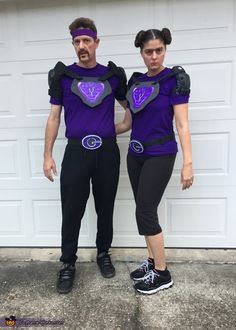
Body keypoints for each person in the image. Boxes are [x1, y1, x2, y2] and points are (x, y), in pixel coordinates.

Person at [43, 17, 127, 294]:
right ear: (73, 44)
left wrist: (121, 127)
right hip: (76, 152)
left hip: (106, 152)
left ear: (96, 42)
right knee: (72, 210)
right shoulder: (63, 76)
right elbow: (54, 117)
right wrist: (47, 155)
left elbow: (133, 107)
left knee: (105, 206)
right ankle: (68, 263)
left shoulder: (113, 76)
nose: (82, 46)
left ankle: (103, 253)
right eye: (77, 41)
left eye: (87, 41)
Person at [116, 28, 193, 295]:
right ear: (141, 52)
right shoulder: (136, 82)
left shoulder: (174, 80)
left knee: (146, 211)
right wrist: (100, 128)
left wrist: (188, 163)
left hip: (160, 153)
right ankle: (151, 262)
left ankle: (162, 273)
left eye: (159, 50)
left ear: (165, 50)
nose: (154, 56)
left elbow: (182, 125)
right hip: (135, 154)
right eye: (149, 51)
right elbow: (127, 122)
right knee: (143, 209)